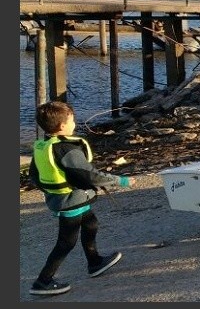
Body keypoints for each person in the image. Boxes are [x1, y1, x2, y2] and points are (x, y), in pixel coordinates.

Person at [27, 101, 136, 296]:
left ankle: (94, 262)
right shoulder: (67, 149)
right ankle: (43, 281)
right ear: (62, 126)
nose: (74, 124)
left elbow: (34, 175)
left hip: (66, 198)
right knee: (66, 242)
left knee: (91, 224)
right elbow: (90, 174)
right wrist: (121, 181)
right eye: (72, 120)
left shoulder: (43, 146)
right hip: (71, 201)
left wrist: (52, 193)